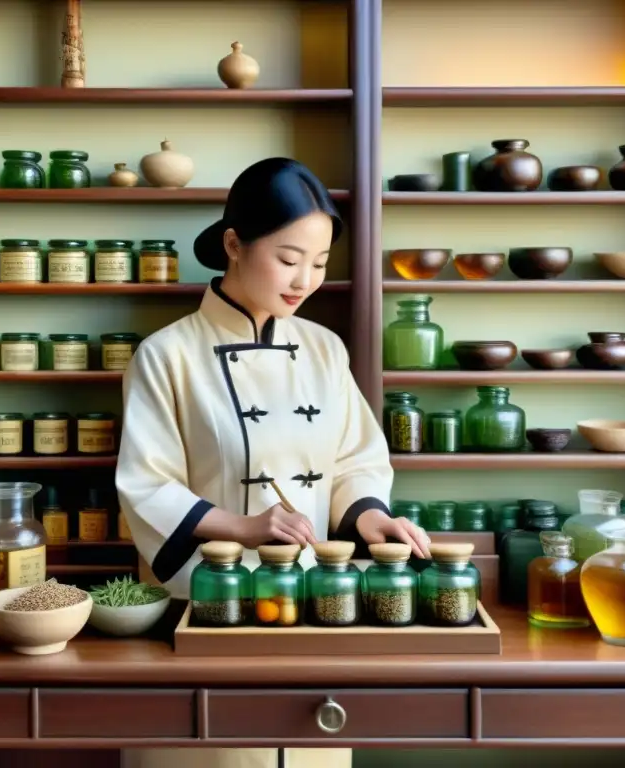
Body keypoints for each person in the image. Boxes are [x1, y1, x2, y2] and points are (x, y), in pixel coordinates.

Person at [115, 157, 431, 768]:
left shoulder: (324, 348)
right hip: (203, 609)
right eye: (289, 260)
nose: (304, 281)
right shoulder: (166, 355)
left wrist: (370, 518)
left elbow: (354, 459)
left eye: (318, 264)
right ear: (233, 244)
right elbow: (145, 484)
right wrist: (245, 528)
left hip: (312, 605)